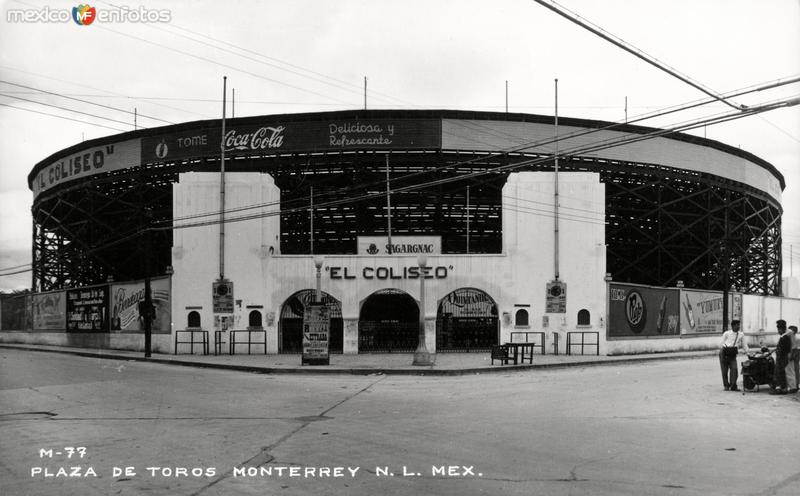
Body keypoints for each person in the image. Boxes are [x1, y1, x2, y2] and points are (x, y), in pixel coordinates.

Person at [719, 319, 747, 391]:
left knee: (734, 369)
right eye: (737, 325)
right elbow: (721, 344)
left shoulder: (741, 334)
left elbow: (744, 345)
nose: (738, 327)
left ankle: (733, 385)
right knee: (724, 371)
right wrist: (724, 351)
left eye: (739, 325)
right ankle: (726, 385)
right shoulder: (726, 333)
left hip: (733, 354)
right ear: (733, 326)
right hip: (724, 352)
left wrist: (747, 352)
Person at [771, 319, 791, 394]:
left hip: (782, 358)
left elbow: (783, 349)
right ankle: (783, 388)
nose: (778, 331)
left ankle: (780, 389)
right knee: (781, 373)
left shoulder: (784, 338)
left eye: (778, 329)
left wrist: (778, 353)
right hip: (782, 358)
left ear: (782, 329)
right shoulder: (785, 337)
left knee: (779, 373)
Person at [785, 325, 799, 394]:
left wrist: (791, 357)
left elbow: (795, 349)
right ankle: (794, 386)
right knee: (793, 371)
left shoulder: (795, 339)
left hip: (793, 357)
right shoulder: (791, 338)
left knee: (792, 371)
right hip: (792, 356)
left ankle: (794, 387)